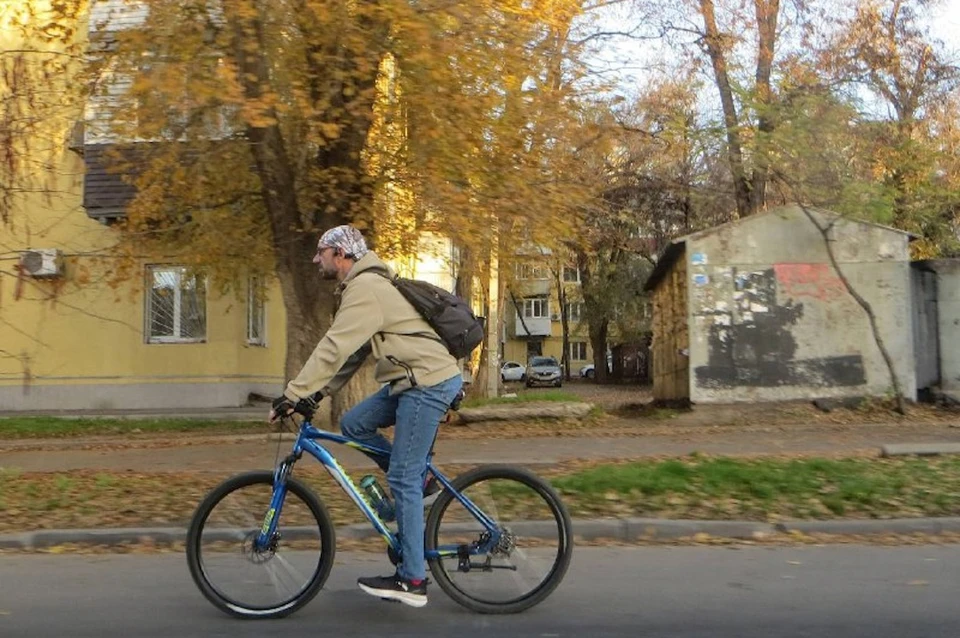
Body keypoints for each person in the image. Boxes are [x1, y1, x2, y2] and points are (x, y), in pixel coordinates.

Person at [269, 224, 462, 608]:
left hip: (426, 383)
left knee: (401, 479)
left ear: (340, 254)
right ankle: (420, 477)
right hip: (410, 381)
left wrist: (293, 393)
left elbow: (334, 346)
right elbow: (354, 353)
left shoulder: (365, 289)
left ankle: (413, 579)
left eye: (320, 252)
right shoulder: (366, 288)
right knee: (355, 424)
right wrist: (319, 393)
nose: (315, 259)